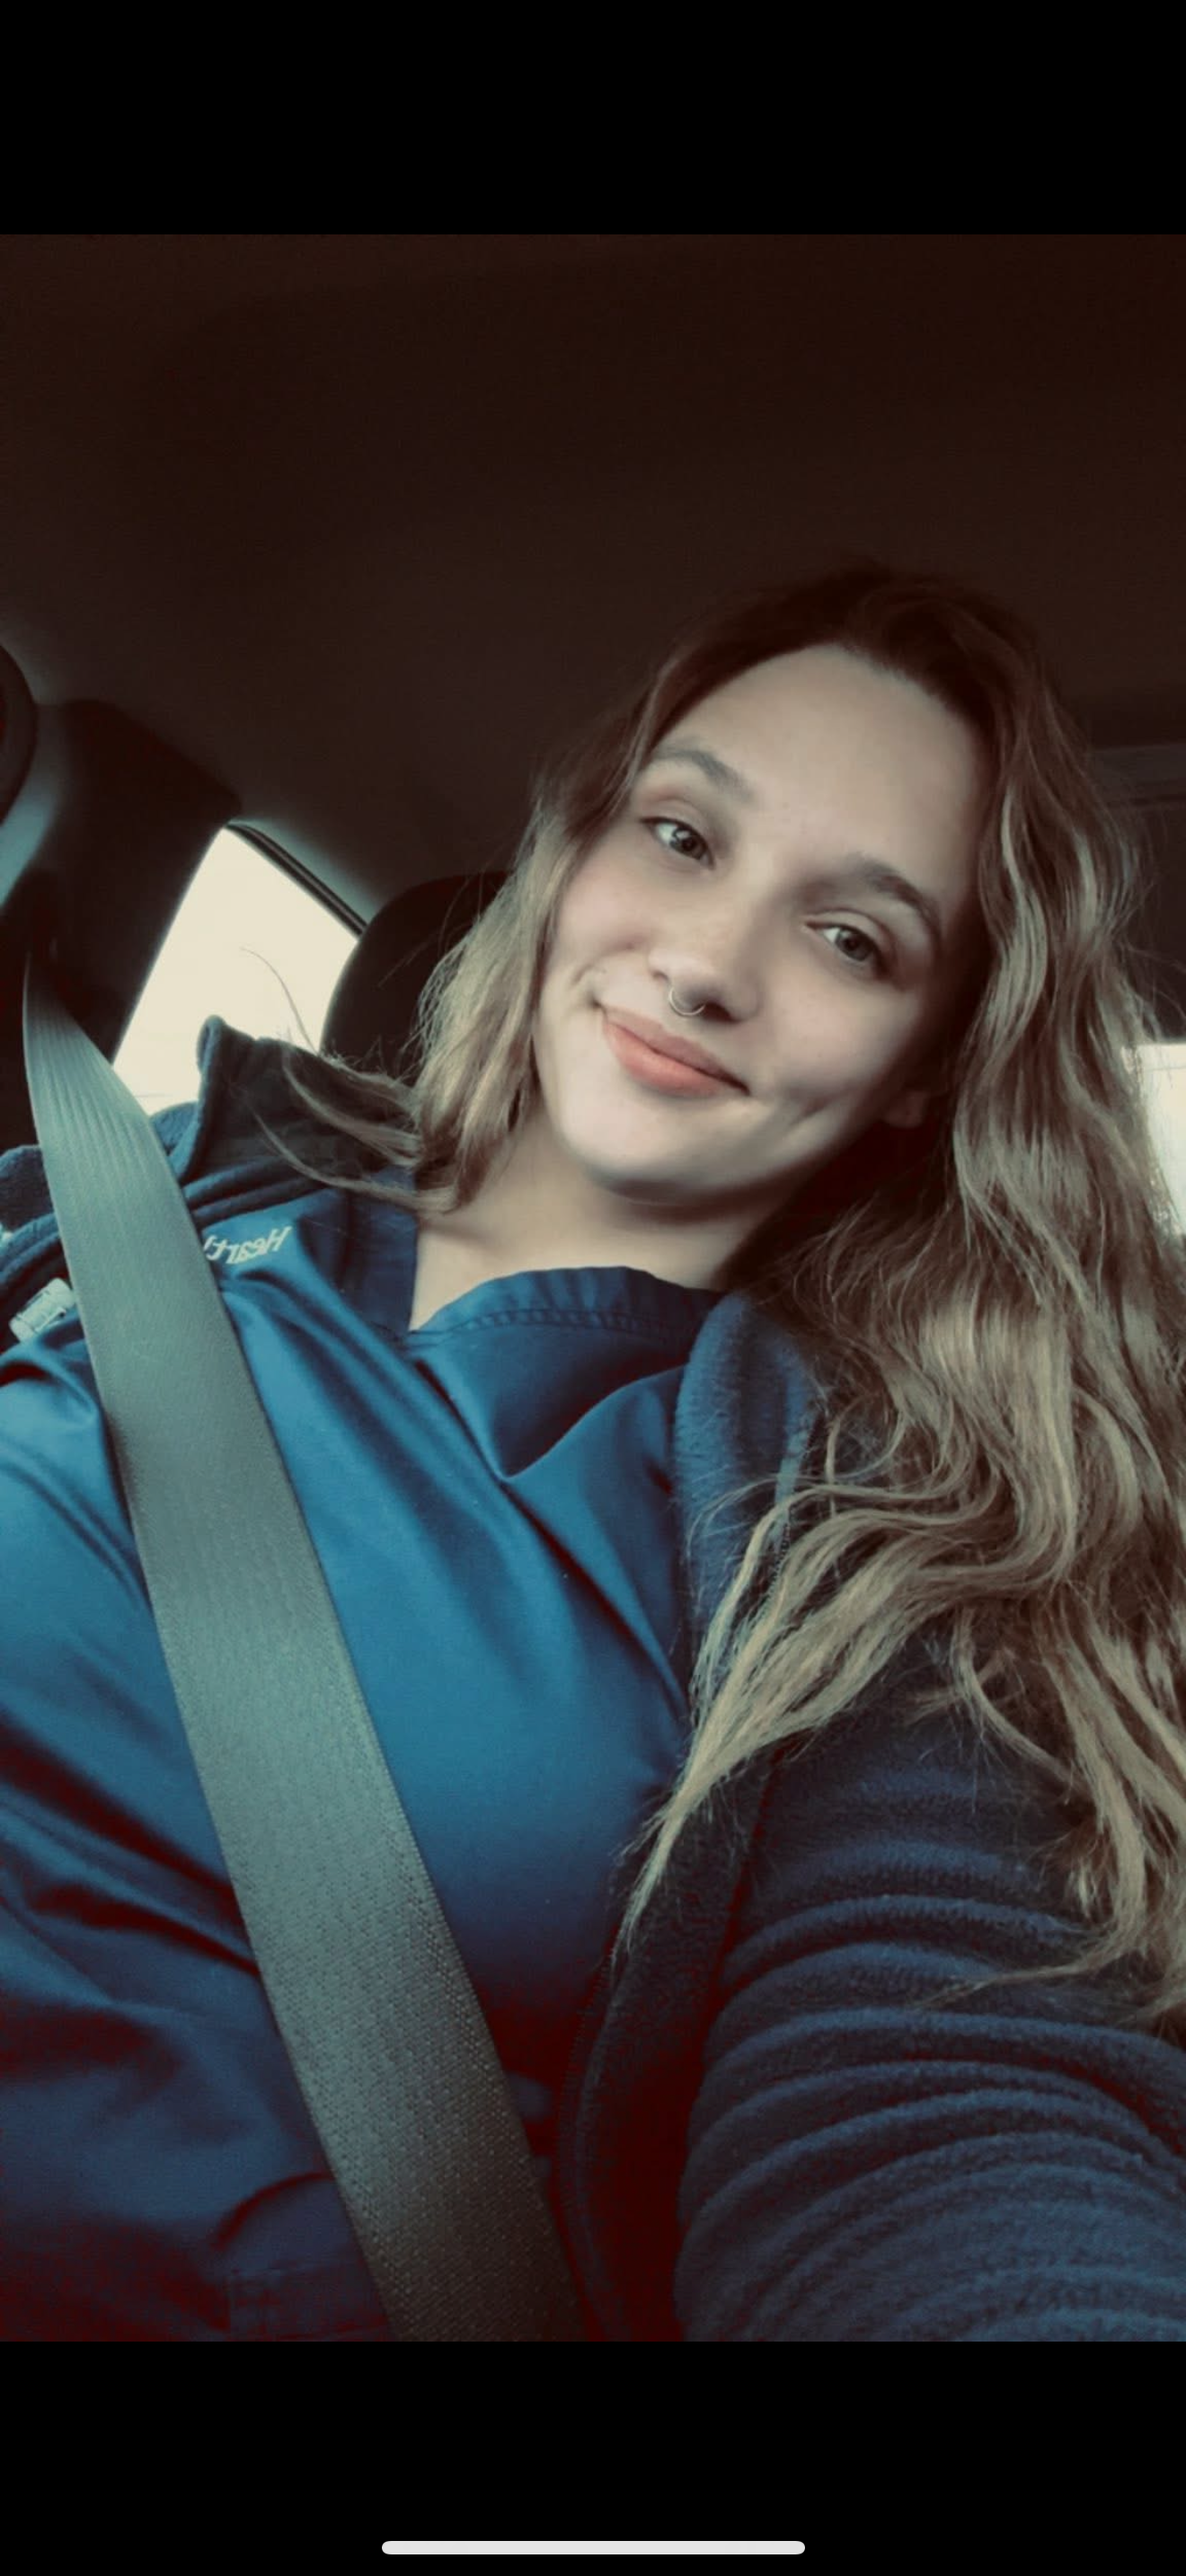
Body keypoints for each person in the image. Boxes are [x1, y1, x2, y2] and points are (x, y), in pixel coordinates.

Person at [4, 553, 1186, 2340]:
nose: (707, 964)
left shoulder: (882, 1528)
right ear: (569, 855)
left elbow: (932, 2105)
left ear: (927, 1070)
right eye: (684, 837)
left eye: (852, 939)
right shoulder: (173, 1174)